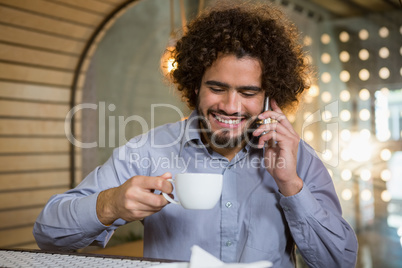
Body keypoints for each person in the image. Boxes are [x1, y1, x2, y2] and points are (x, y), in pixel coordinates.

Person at [33, 1, 358, 267]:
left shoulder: (298, 159)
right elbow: (47, 233)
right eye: (217, 88)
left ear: (270, 98)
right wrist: (111, 204)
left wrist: (290, 185)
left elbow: (340, 262)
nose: (231, 106)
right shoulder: (148, 151)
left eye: (248, 92)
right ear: (195, 86)